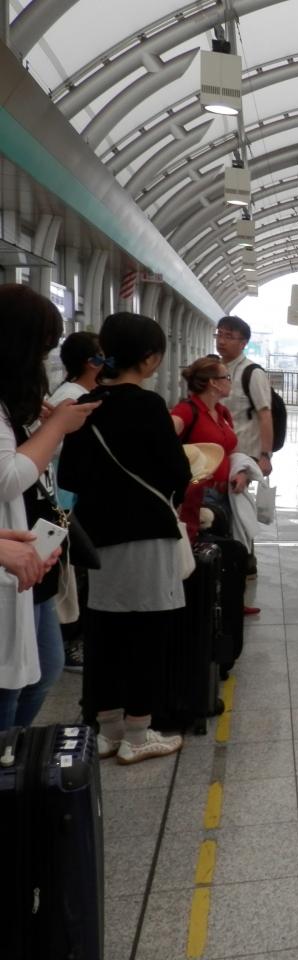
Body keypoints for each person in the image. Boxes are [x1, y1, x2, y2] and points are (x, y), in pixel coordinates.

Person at [60, 312, 191, 764]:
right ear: (150, 358)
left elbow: (69, 475)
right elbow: (177, 471)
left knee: (106, 632)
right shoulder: (149, 406)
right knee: (147, 632)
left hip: (98, 538)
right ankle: (138, 733)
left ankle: (108, 730)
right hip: (146, 534)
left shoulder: (86, 403)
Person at [0, 284, 98, 730]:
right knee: (12, 680)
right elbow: (8, 477)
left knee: (43, 668)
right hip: (12, 555)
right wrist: (56, 425)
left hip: (27, 551)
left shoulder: (13, 402)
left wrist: (36, 421)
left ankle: (15, 748)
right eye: (41, 350)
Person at [170, 356, 258, 616]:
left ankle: (229, 604)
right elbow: (164, 439)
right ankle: (202, 605)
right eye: (226, 377)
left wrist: (240, 471)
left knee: (228, 547)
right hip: (199, 494)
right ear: (213, 383)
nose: (230, 382)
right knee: (202, 547)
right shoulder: (187, 411)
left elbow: (228, 450)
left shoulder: (221, 412)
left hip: (225, 492)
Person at [47, 331, 104, 673]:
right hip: (63, 499)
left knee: (76, 569)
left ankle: (74, 639)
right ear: (91, 362)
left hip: (70, 496)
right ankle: (72, 642)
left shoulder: (76, 393)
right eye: (102, 355)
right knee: (72, 572)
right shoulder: (72, 397)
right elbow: (54, 445)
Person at [214, 315, 272, 577]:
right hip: (218, 454)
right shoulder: (215, 371)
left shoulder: (252, 373)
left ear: (244, 342)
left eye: (229, 336)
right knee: (223, 508)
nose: (221, 340)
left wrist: (265, 456)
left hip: (243, 455)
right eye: (219, 334)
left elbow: (265, 415)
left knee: (239, 509)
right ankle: (229, 558)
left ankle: (245, 560)